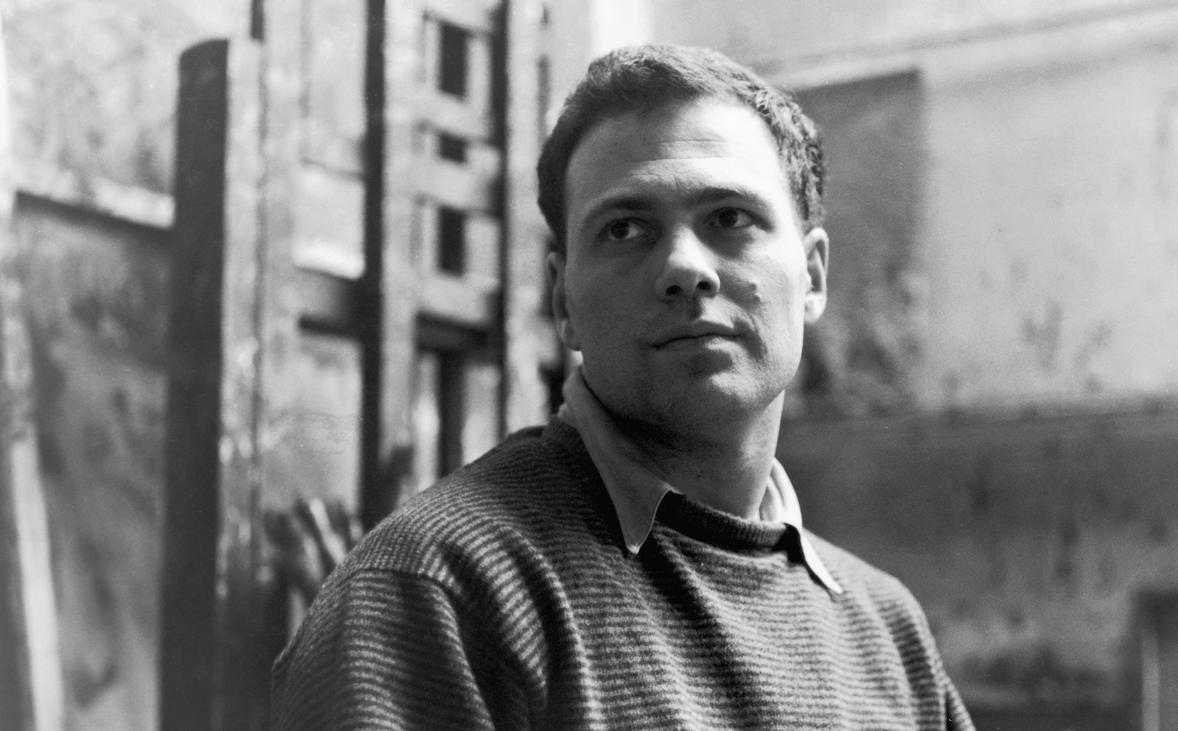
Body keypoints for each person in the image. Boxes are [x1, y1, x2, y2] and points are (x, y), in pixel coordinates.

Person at [270, 43, 974, 730]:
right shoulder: (439, 596)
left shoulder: (887, 631)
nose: (685, 268)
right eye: (626, 229)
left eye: (730, 218)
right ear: (563, 301)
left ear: (813, 277)